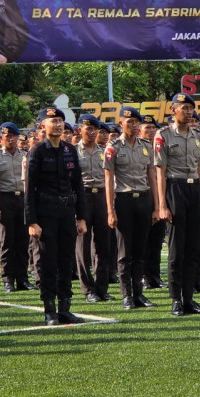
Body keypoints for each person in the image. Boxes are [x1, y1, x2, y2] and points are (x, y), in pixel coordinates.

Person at [154, 93, 200, 316]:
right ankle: (175, 299)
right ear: (173, 110)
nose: (188, 112)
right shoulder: (163, 135)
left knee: (193, 249)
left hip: (194, 190)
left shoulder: (198, 136)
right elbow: (160, 171)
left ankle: (189, 298)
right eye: (184, 108)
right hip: (174, 188)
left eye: (191, 108)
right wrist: (162, 204)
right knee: (176, 250)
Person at [26, 107, 87, 325]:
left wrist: (81, 216)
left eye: (61, 120)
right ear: (43, 125)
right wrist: (32, 221)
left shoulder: (70, 150)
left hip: (67, 212)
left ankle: (65, 308)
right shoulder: (37, 152)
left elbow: (78, 184)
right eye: (53, 121)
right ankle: (49, 310)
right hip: (46, 214)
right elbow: (30, 189)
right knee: (48, 262)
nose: (58, 125)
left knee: (66, 261)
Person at [105, 107, 158, 309]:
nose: (133, 125)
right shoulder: (113, 147)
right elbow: (108, 181)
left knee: (140, 250)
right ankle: (126, 295)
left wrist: (156, 206)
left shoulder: (145, 146)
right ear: (121, 124)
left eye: (136, 122)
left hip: (143, 199)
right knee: (124, 251)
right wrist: (110, 210)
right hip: (124, 200)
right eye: (129, 122)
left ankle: (139, 294)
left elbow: (151, 177)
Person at [0, 122, 33, 293]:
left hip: (23, 200)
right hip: (5, 199)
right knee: (7, 242)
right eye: (8, 136)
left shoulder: (25, 156)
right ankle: (8, 279)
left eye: (14, 136)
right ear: (0, 139)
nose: (12, 139)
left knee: (23, 242)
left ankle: (23, 278)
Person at [74, 114, 112, 303]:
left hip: (102, 197)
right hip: (82, 197)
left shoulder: (104, 151)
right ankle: (87, 288)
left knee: (103, 245)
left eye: (94, 129)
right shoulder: (73, 151)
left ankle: (102, 288)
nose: (92, 132)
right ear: (80, 129)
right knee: (83, 244)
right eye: (88, 128)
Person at [141, 114, 167, 290]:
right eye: (147, 127)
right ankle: (141, 275)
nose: (150, 131)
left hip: (161, 196)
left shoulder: (159, 148)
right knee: (142, 239)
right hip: (143, 196)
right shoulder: (136, 148)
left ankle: (154, 276)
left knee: (157, 240)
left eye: (153, 128)